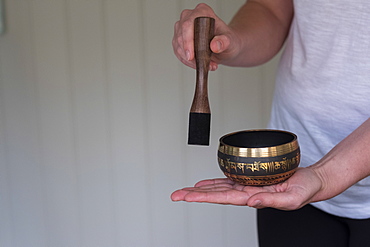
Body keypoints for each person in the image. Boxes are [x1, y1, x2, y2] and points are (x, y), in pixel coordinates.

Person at [171, 1, 370, 246]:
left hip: (310, 177)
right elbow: (271, 9)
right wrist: (233, 42)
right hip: (283, 176)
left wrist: (324, 175)